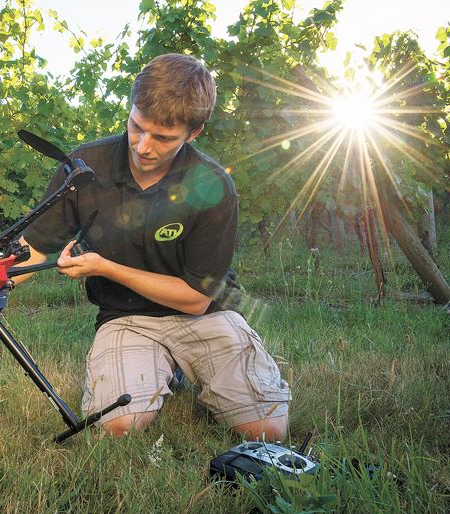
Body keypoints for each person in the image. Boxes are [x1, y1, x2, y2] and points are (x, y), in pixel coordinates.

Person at [16, 54, 291, 440]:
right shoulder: (82, 166)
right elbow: (34, 247)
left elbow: (197, 298)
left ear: (193, 133)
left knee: (266, 431)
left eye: (162, 138)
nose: (143, 147)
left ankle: (185, 368)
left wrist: (105, 267)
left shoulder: (212, 186)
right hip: (125, 317)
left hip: (206, 314)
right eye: (136, 127)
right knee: (115, 429)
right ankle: (163, 367)